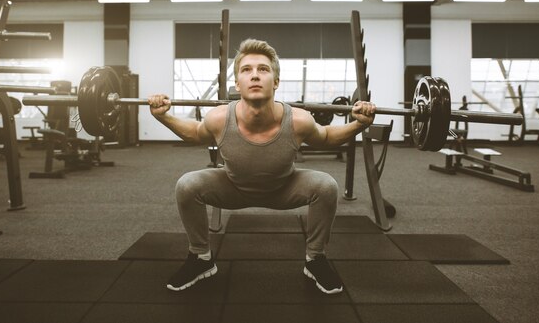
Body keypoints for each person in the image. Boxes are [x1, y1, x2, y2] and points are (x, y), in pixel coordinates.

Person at [148, 38, 376, 295]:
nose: (254, 76)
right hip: (233, 187)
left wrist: (359, 125)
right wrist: (164, 116)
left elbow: (326, 137)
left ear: (276, 82)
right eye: (246, 70)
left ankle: (316, 259)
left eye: (263, 69)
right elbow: (194, 133)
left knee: (326, 185)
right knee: (187, 185)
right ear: (238, 83)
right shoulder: (220, 118)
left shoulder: (298, 120)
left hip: (284, 187)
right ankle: (201, 258)